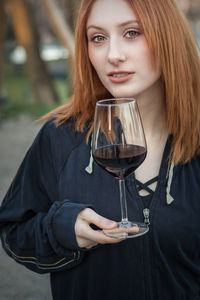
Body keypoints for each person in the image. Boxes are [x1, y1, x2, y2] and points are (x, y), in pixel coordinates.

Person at [0, 0, 200, 299]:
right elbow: (15, 232)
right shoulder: (60, 137)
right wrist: (63, 228)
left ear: (168, 37)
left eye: (132, 33)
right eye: (98, 38)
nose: (113, 55)